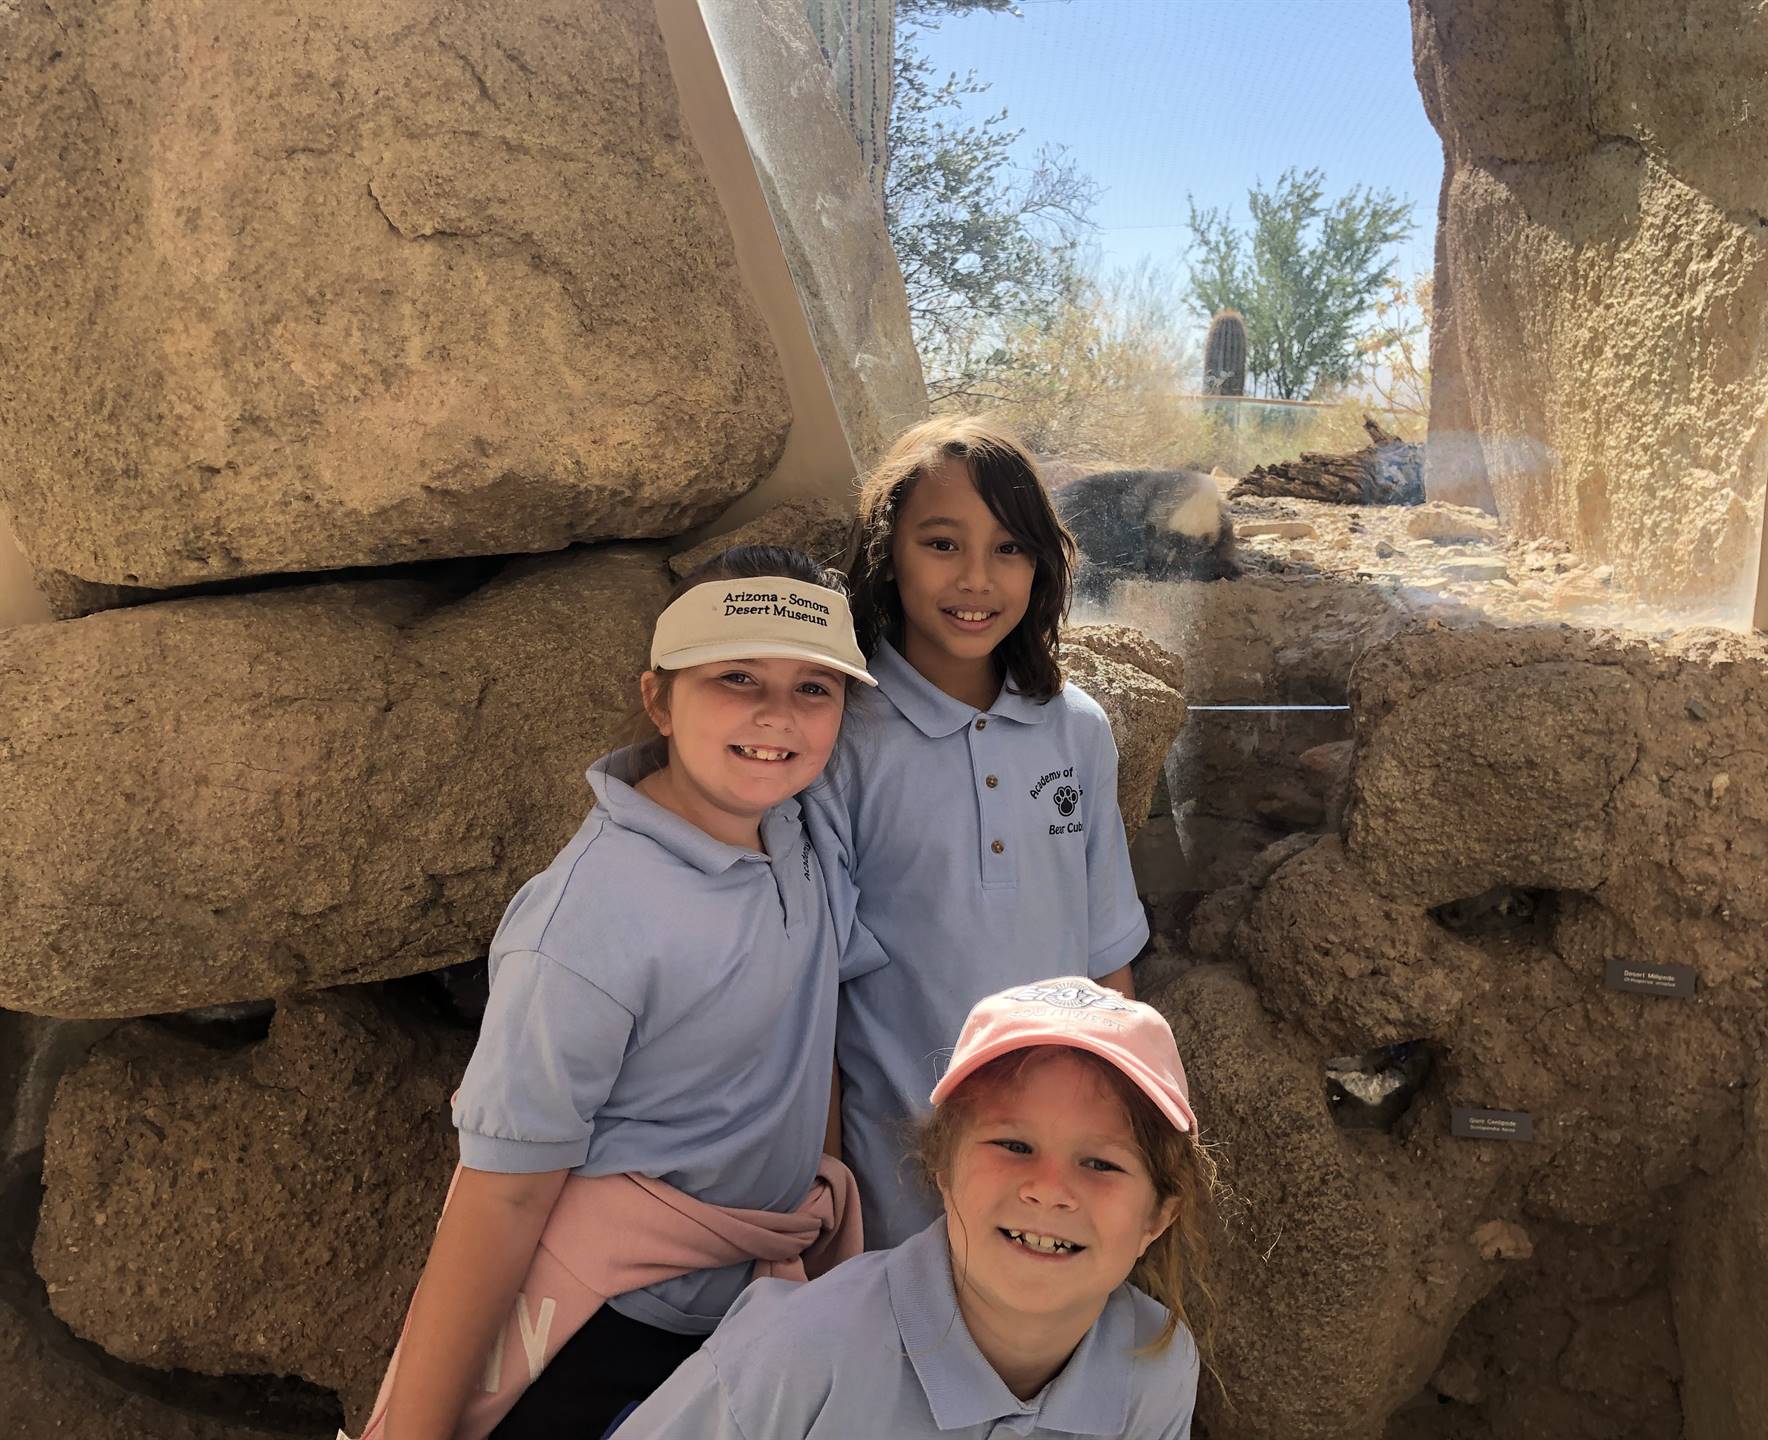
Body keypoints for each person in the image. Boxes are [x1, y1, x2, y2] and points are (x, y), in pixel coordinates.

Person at [355, 546, 877, 1440]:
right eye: (737, 676)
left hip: (744, 1304)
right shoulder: (587, 921)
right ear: (657, 700)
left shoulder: (795, 831)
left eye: (813, 689)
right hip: (610, 1329)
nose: (775, 715)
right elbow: (501, 1194)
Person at [806, 414, 1152, 1248]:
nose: (977, 579)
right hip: (899, 1185)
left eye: (1008, 548)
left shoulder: (1079, 731)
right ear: (889, 556)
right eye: (941, 544)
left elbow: (1110, 964)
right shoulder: (838, 738)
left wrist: (1130, 1151)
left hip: (1059, 1181)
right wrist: (821, 1190)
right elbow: (811, 994)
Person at [613, 977, 1215, 1440]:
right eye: (1013, 1145)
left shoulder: (1155, 1369)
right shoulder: (799, 1354)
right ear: (943, 1170)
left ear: (1157, 1218)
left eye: (1101, 1163)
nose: (1049, 1188)